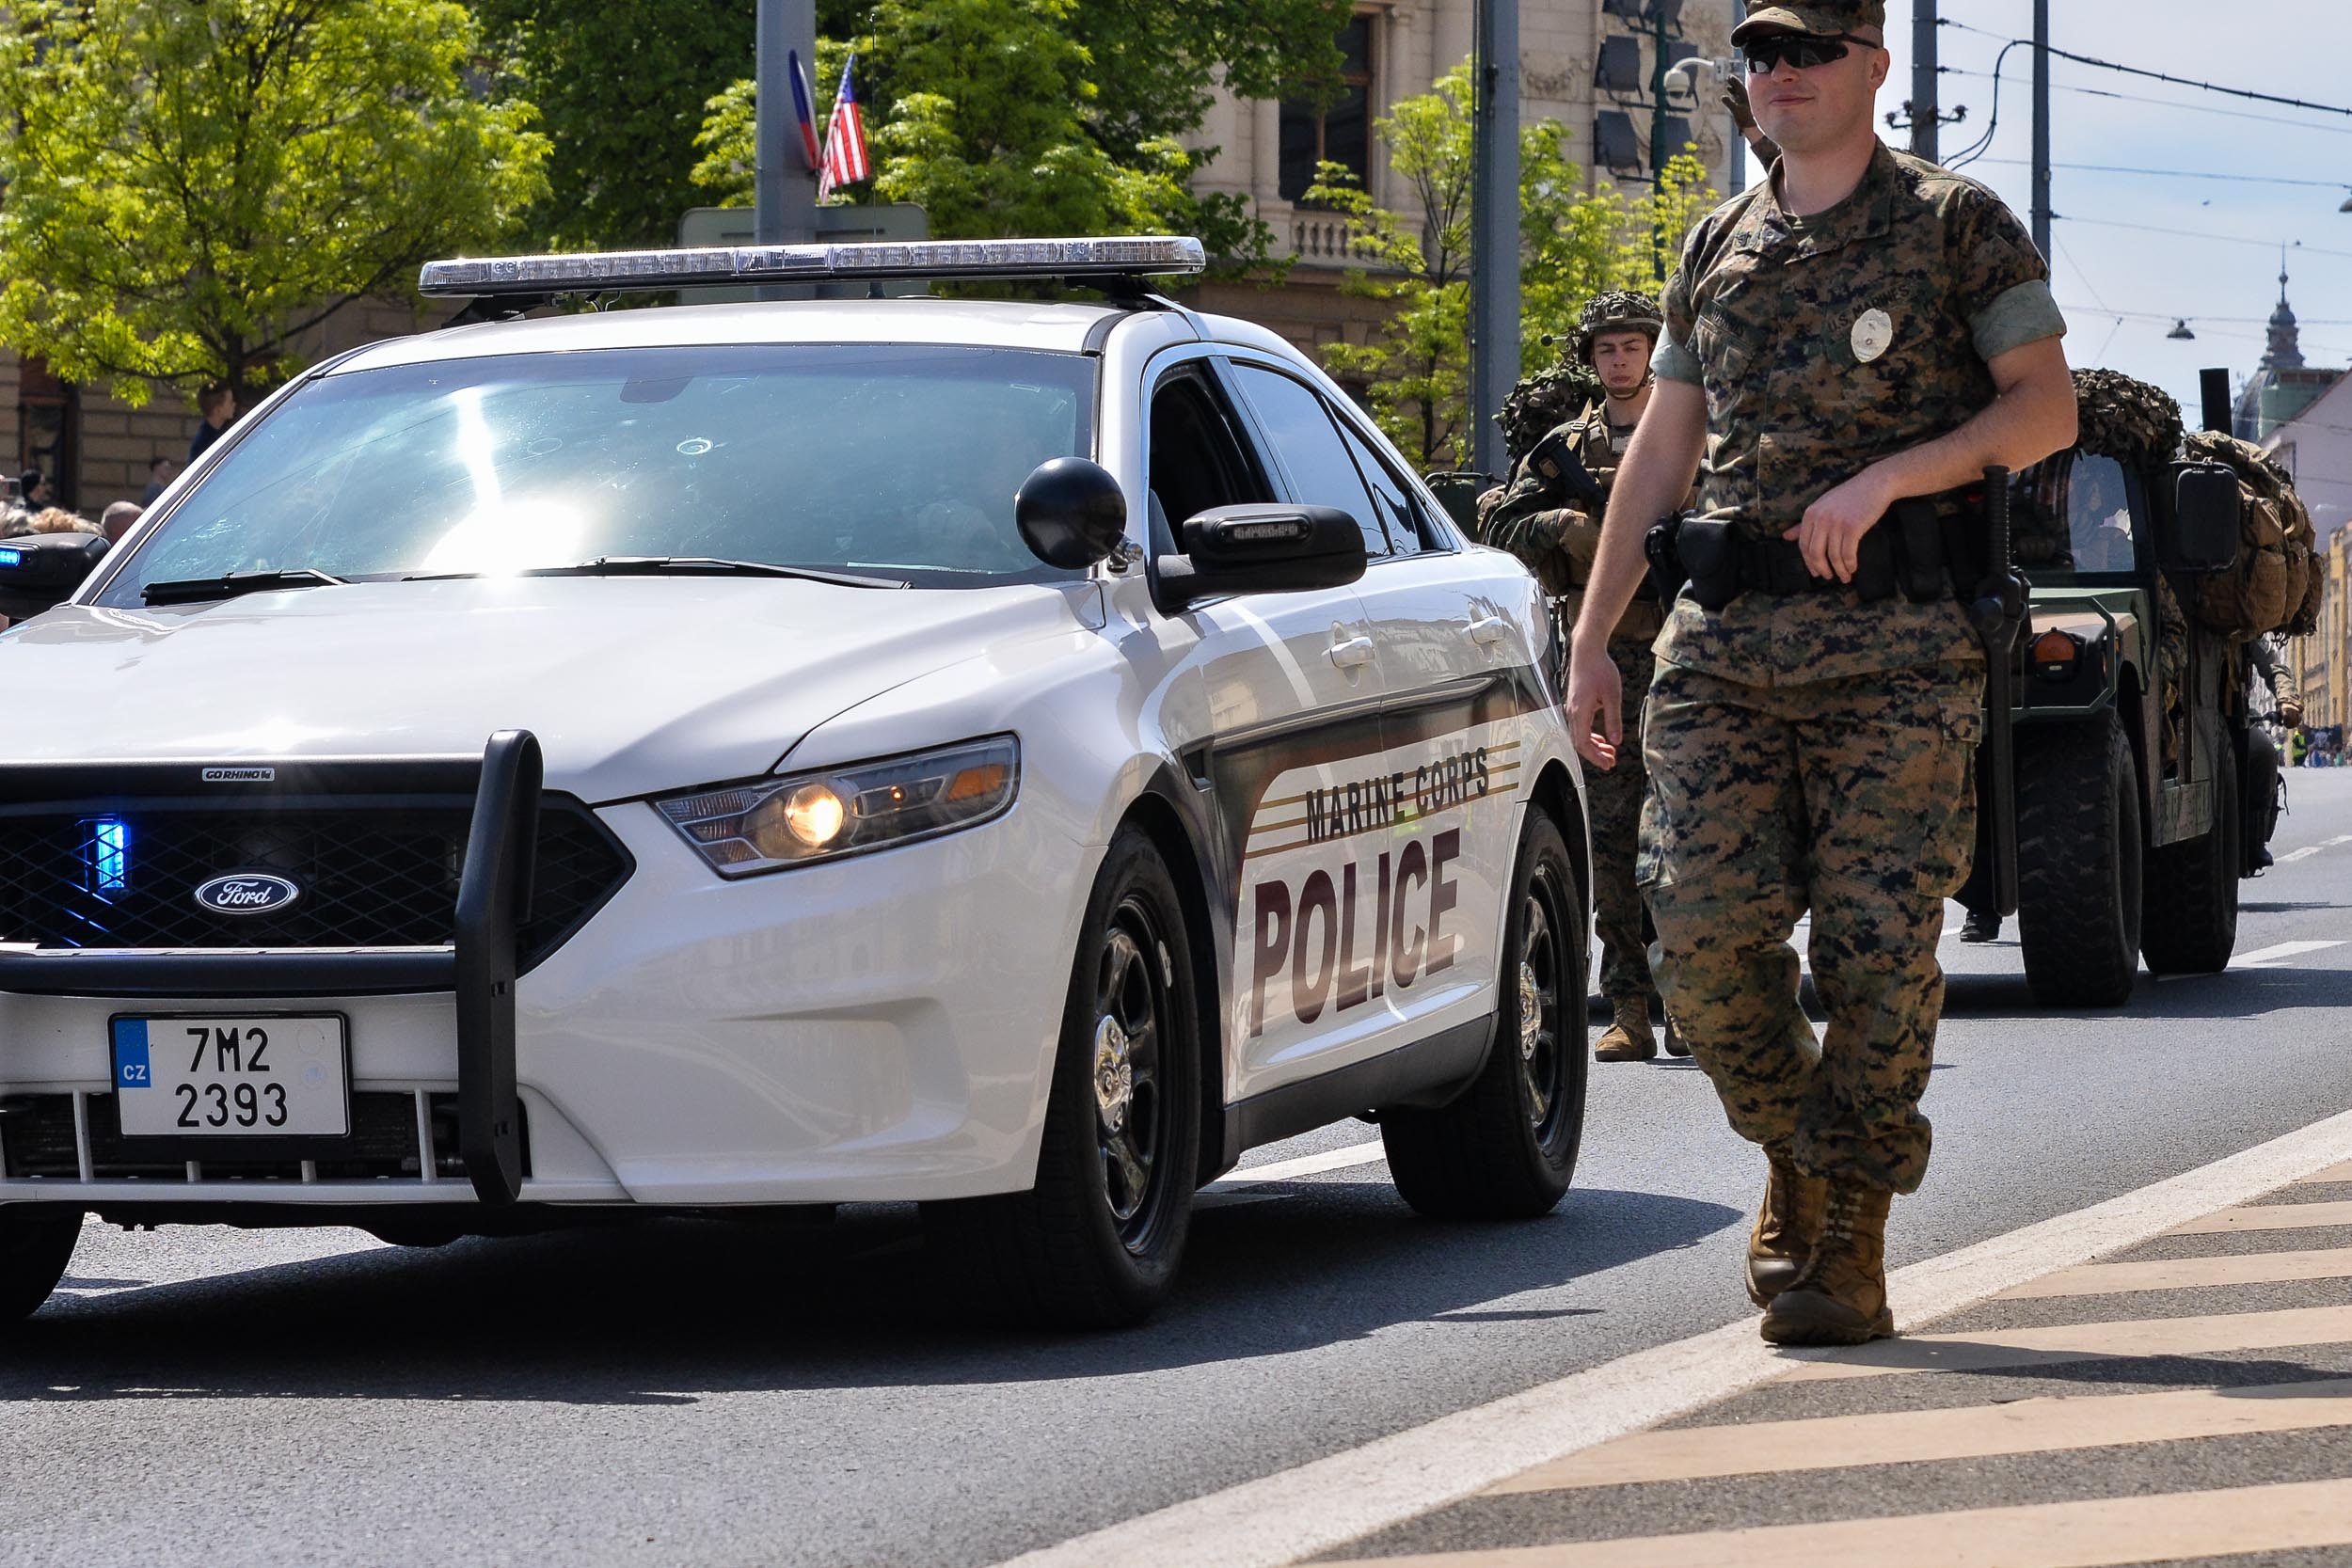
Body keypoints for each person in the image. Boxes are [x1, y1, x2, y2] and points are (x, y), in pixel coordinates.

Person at [1562, 0, 2077, 1346]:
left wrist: (1895, 473)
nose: (1777, 75)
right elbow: (1660, 455)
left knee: (1875, 950)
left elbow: (2045, 402)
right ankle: (1809, 1149)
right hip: (1725, 652)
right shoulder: (1717, 242)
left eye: (1806, 52)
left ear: (1873, 66)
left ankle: (1847, 1230)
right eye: (1758, 54)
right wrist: (1591, 642)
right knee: (1701, 947)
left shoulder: (1956, 223)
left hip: (1898, 654)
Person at [1479, 293, 1692, 1064]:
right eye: (1607, 349)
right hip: (1601, 660)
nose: (1621, 359)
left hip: (1683, 656)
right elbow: (1495, 523)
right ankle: (1631, 1007)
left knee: (1684, 835)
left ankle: (1690, 1004)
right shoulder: (1565, 449)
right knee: (1609, 839)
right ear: (1591, 358)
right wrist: (1560, 527)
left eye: (1633, 346)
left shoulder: (1691, 431)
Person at [188, 384, 236, 463]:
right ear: (218, 409)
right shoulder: (204, 442)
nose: (234, 404)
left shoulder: (220, 432)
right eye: (230, 402)